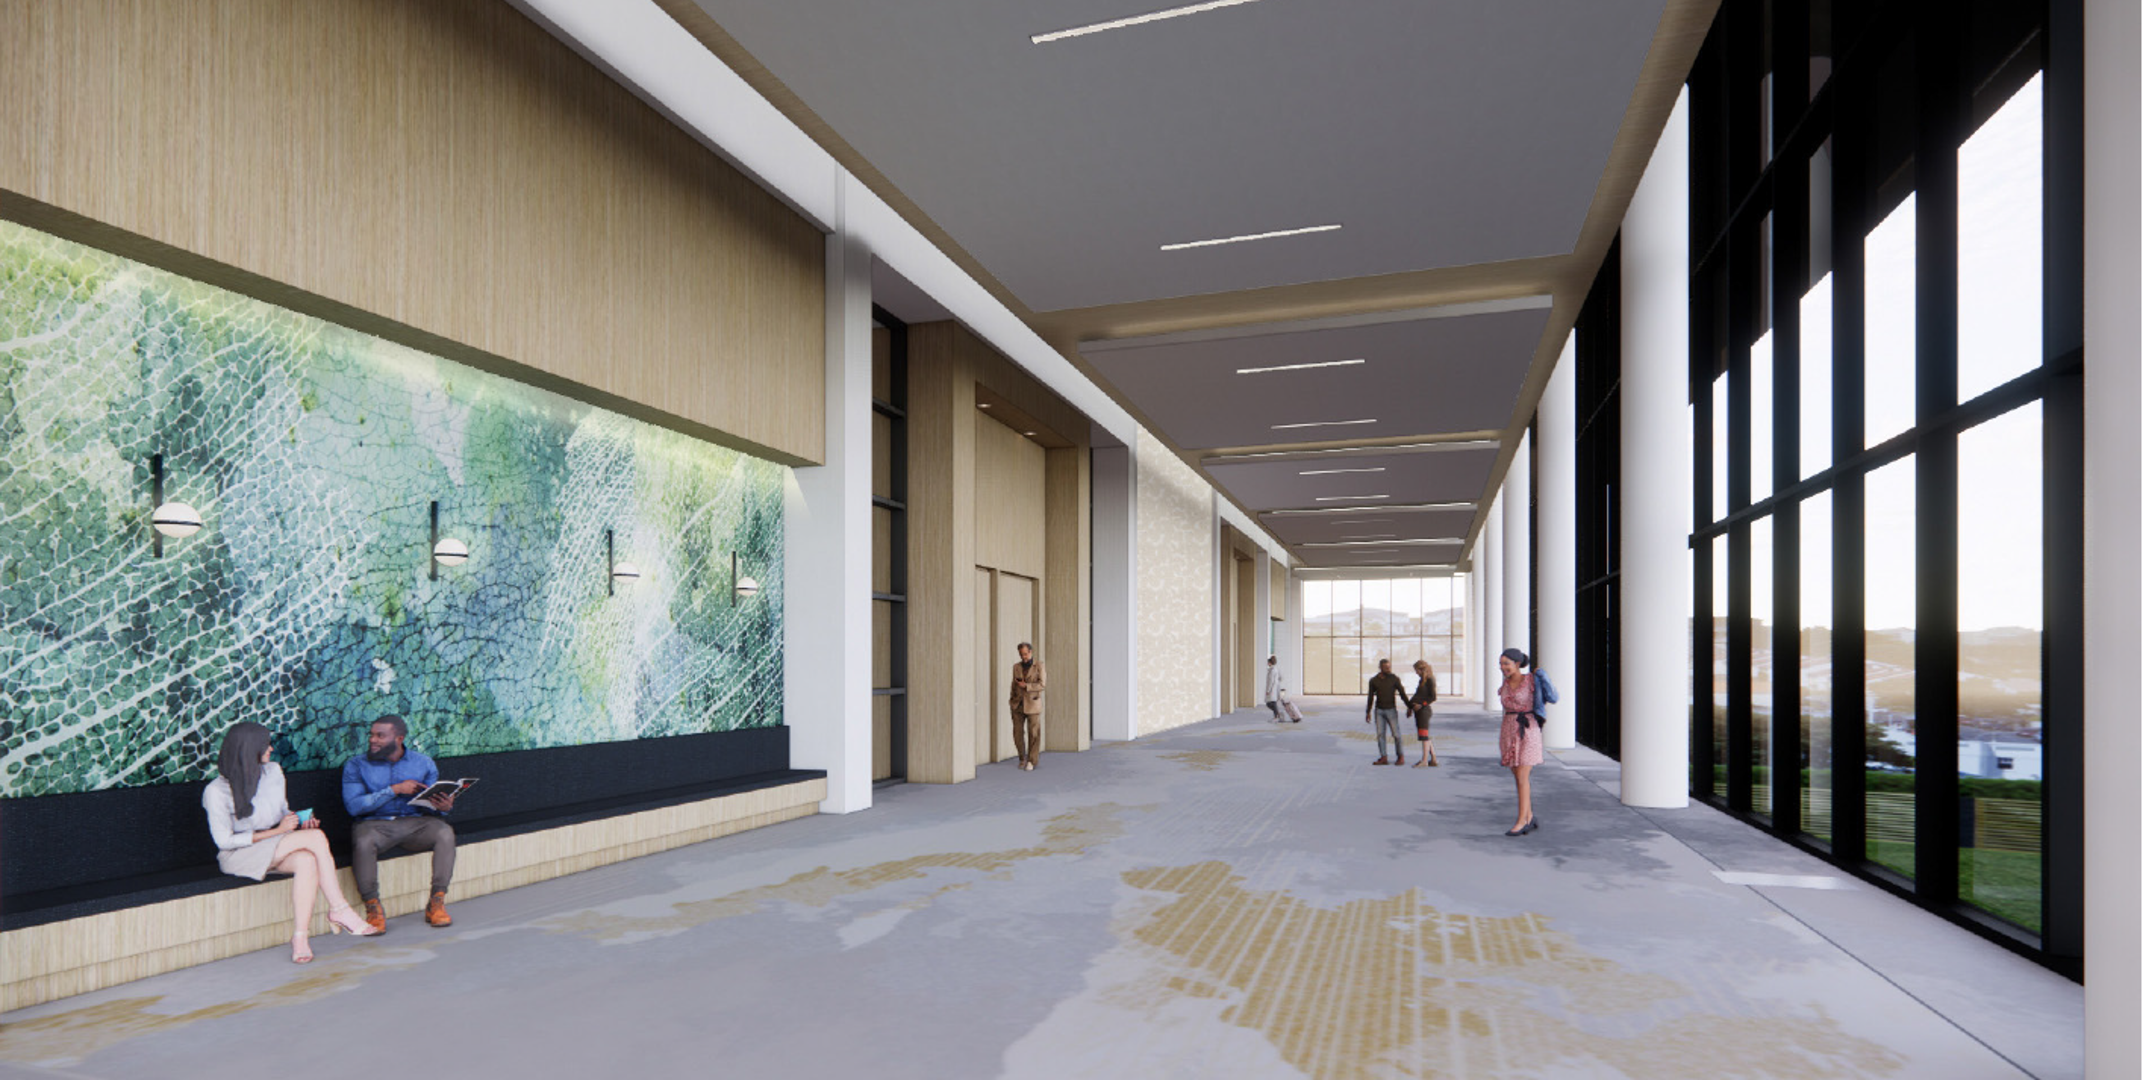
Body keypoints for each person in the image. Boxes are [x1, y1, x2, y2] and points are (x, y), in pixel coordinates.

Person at [203, 722, 379, 963]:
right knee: (316, 838)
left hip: (275, 842)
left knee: (307, 860)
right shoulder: (215, 791)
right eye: (266, 744)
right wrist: (279, 831)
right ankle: (339, 909)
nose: (271, 749)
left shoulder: (273, 772)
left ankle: (300, 938)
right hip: (240, 854)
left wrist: (299, 821)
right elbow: (224, 841)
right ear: (249, 748)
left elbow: (282, 811)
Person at [342, 714, 458, 930]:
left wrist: (443, 806)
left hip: (415, 824)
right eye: (371, 735)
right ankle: (373, 908)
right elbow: (354, 806)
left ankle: (437, 902)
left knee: (444, 832)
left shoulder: (423, 763)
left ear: (399, 739)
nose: (372, 740)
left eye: (380, 736)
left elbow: (432, 803)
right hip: (375, 825)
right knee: (364, 840)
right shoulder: (356, 765)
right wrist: (394, 790)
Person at [1497, 648, 1544, 835]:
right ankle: (1529, 817)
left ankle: (1521, 821)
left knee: (1523, 777)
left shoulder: (1531, 680)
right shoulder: (1506, 683)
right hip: (1508, 729)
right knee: (1517, 776)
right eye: (1501, 664)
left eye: (1506, 663)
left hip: (1527, 729)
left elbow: (1550, 697)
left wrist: (1543, 675)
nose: (1503, 667)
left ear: (1517, 664)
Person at [1363, 658, 1407, 766]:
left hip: (1391, 710)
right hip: (1379, 711)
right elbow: (1370, 697)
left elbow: (1402, 693)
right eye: (1386, 667)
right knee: (1380, 735)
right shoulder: (1374, 680)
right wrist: (1368, 712)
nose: (1388, 669)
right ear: (1380, 667)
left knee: (1396, 734)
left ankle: (1400, 756)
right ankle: (1383, 757)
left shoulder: (1394, 679)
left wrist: (1409, 706)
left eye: (1389, 667)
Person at [1009, 643, 1045, 771]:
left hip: (1033, 704)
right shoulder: (1016, 667)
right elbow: (1014, 684)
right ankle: (1022, 758)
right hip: (1017, 704)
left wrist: (1027, 686)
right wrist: (1012, 700)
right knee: (1017, 733)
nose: (1023, 657)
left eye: (1025, 654)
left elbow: (1042, 685)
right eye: (1021, 654)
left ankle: (1031, 760)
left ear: (1030, 652)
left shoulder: (1039, 666)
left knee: (1034, 733)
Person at [1408, 660, 1440, 768]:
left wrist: (1422, 704)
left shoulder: (1430, 680)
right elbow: (1417, 694)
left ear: (1421, 669)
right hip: (1419, 711)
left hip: (1424, 711)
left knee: (1423, 736)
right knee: (1424, 735)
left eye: (1416, 670)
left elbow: (1433, 697)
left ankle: (1424, 761)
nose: (1416, 672)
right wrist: (1410, 707)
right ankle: (1433, 759)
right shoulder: (1422, 680)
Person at [1263, 655, 1286, 722]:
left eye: (1268, 662)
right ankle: (1277, 715)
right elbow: (1281, 678)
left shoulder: (1272, 671)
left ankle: (1277, 715)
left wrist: (1268, 690)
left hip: (1272, 689)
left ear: (1270, 663)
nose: (1267, 663)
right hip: (1275, 688)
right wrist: (1277, 682)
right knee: (1273, 702)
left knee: (1269, 703)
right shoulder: (1276, 669)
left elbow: (1270, 682)